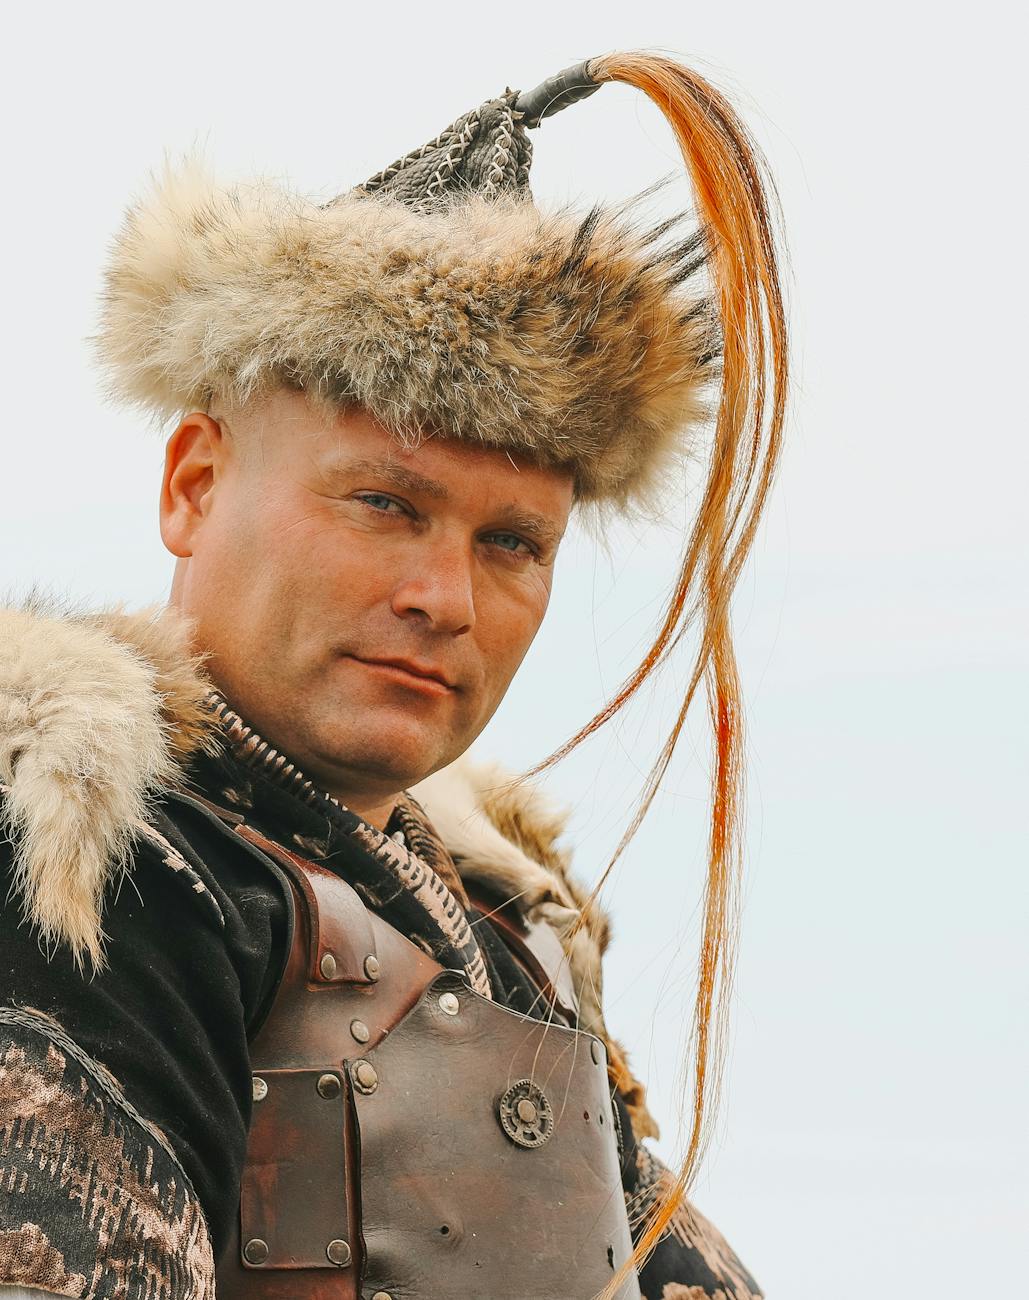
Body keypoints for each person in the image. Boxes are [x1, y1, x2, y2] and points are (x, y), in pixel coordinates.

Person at [0, 51, 786, 1300]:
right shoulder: (87, 868)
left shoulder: (493, 938)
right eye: (385, 503)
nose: (448, 599)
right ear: (194, 484)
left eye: (511, 542)